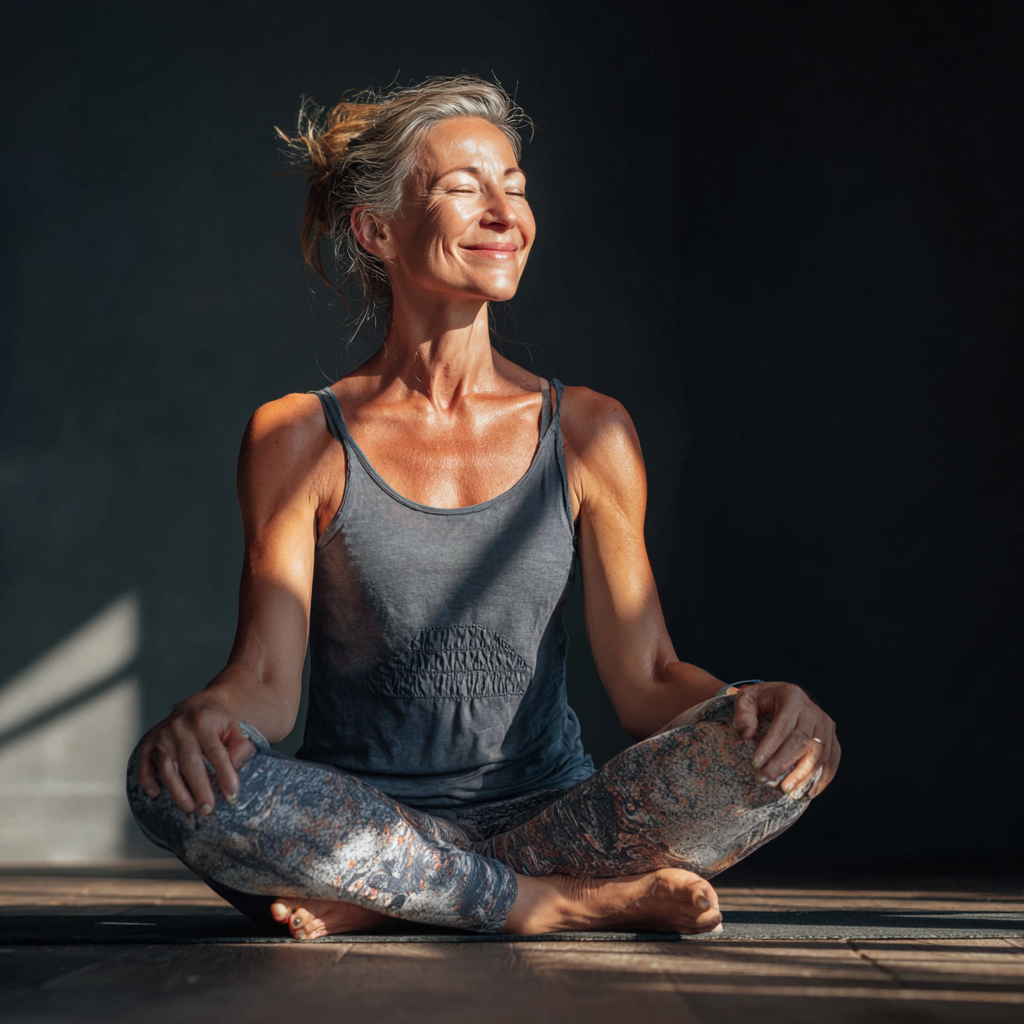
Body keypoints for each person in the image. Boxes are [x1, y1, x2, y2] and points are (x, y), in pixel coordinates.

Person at [127, 76, 840, 940]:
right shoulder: (297, 435)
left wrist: (754, 702)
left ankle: (406, 901)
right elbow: (267, 683)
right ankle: (550, 902)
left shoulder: (589, 431)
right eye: (466, 188)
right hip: (363, 818)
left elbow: (648, 679)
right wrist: (210, 716)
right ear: (375, 230)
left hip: (559, 816)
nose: (507, 213)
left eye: (517, 188)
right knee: (167, 779)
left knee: (780, 758)